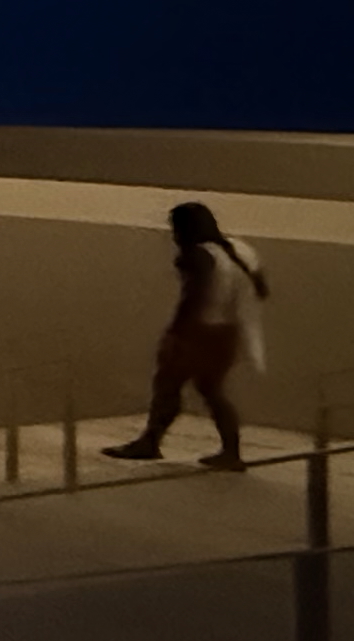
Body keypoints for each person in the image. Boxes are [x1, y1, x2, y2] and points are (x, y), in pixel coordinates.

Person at [101, 201, 268, 469]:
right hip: (227, 333)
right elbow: (261, 289)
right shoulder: (241, 249)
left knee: (167, 386)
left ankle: (150, 442)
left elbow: (193, 297)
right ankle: (231, 451)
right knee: (212, 391)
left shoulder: (197, 255)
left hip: (198, 331)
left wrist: (175, 333)